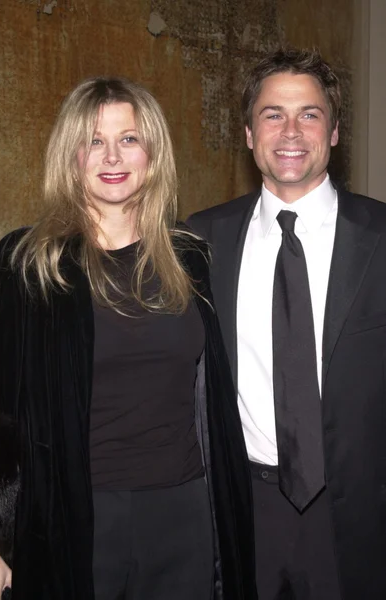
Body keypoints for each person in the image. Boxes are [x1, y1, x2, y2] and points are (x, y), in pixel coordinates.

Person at [0, 77, 255, 600]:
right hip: (73, 519)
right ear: (70, 156)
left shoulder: (190, 258)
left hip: (183, 513)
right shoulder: (29, 264)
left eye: (129, 138)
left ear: (153, 154)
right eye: (93, 140)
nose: (112, 155)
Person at [188, 47, 386, 600]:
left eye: (310, 114)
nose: (291, 131)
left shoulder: (382, 238)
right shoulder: (199, 241)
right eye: (273, 114)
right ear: (249, 134)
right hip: (243, 511)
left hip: (360, 518)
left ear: (336, 131)